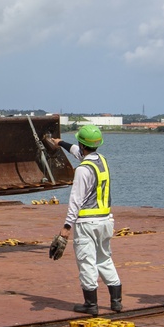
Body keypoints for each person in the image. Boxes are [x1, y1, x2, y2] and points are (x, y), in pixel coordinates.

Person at [47, 124, 122, 315]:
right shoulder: (101, 161)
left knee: (86, 261)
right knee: (104, 258)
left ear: (82, 144)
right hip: (106, 221)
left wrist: (66, 227)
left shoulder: (82, 170)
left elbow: (75, 201)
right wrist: (60, 143)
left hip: (87, 223)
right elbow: (76, 151)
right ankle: (116, 301)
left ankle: (91, 304)